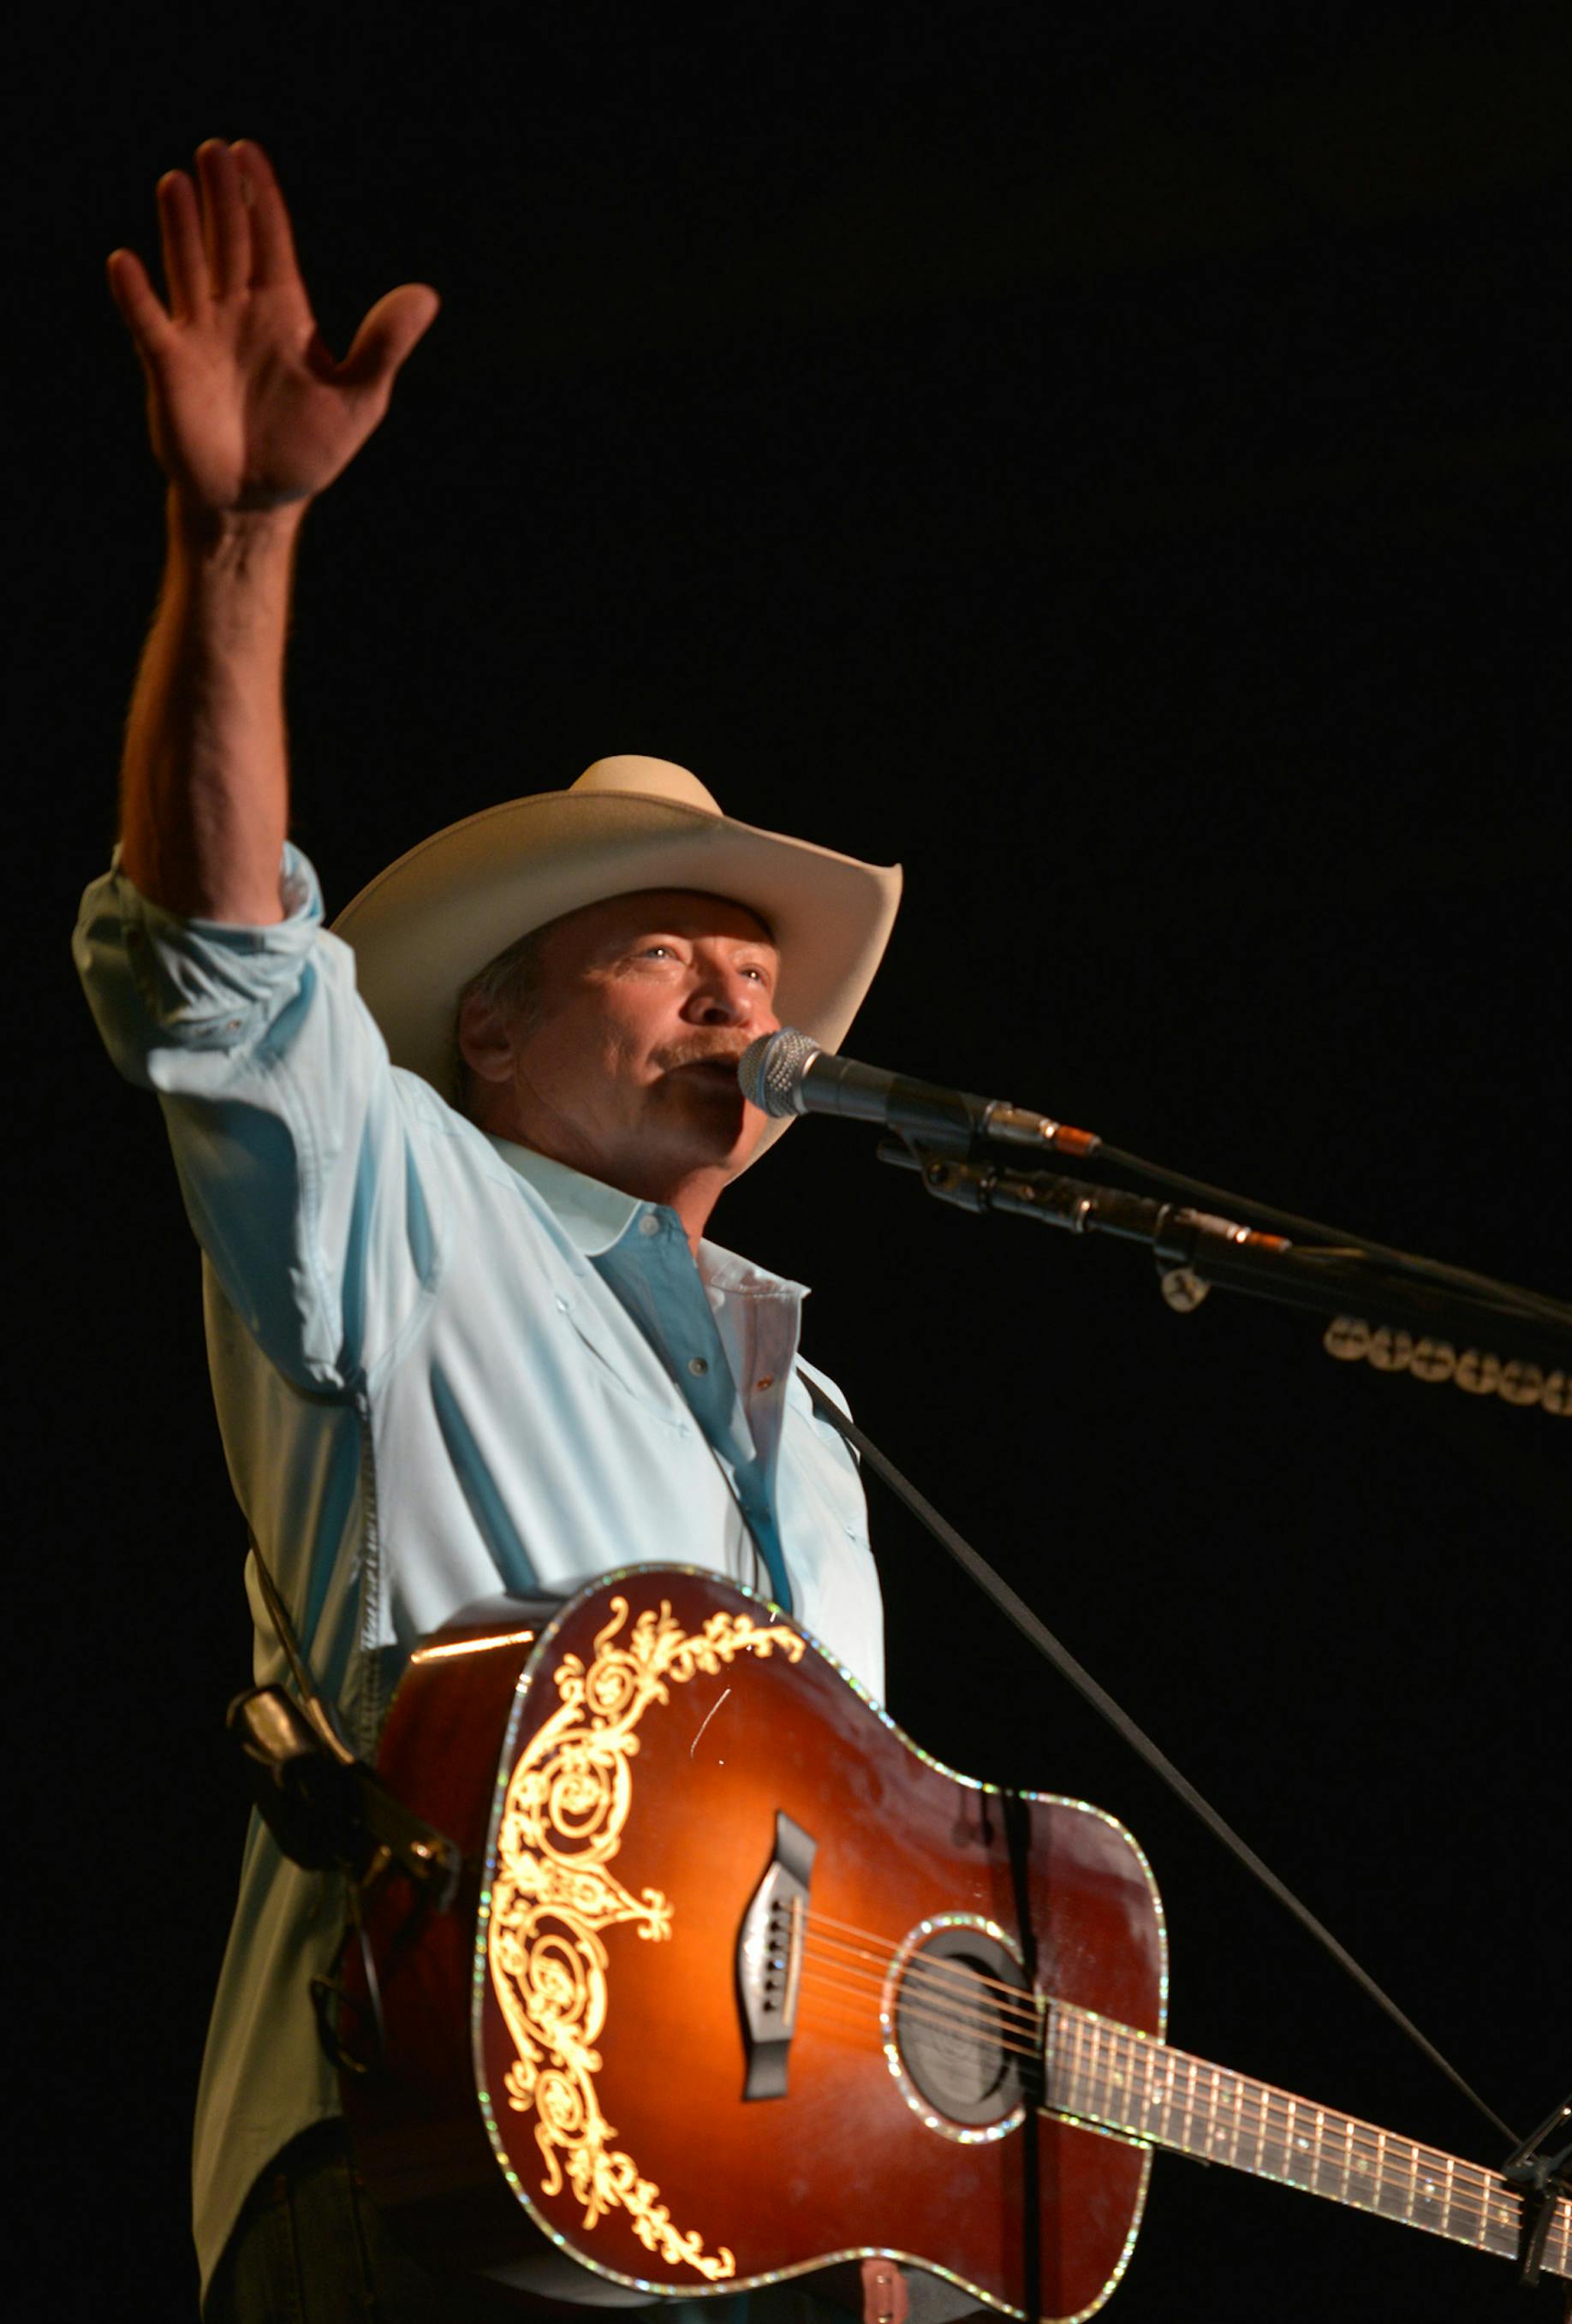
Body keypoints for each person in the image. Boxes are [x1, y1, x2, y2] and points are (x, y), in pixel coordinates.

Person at [74, 140, 931, 2324]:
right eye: (663, 952)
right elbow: (213, 968)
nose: (735, 995)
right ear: (491, 1025)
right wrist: (239, 540)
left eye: (758, 968)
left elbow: (835, 1897)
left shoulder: (815, 1426)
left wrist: (877, 2205)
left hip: (731, 2237)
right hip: (435, 2179)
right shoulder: (403, 1201)